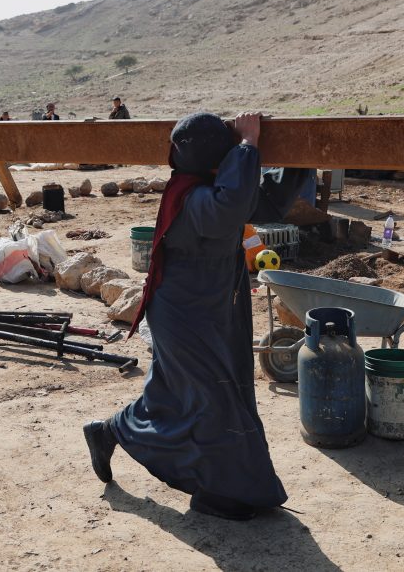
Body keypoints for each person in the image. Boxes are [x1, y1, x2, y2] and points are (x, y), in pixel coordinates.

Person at [83, 111, 309, 520]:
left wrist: (301, 158)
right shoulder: (193, 198)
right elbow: (231, 205)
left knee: (178, 396)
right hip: (182, 314)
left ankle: (111, 430)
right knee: (214, 401)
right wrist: (248, 146)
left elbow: (264, 201)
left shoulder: (208, 186)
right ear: (217, 157)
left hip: (206, 309)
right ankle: (221, 495)